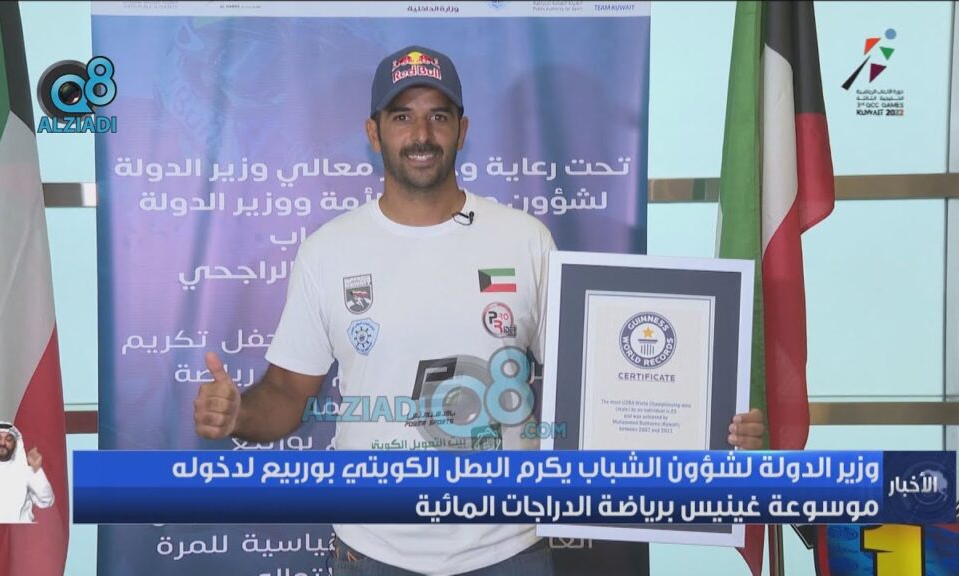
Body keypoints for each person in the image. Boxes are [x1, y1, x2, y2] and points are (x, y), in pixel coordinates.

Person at [193, 45, 766, 575]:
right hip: (373, 551)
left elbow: (599, 388)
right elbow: (288, 393)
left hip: (506, 548)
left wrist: (711, 427)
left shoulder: (524, 239)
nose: (421, 134)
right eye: (402, 116)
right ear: (373, 131)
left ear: (462, 130)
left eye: (438, 116)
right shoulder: (328, 251)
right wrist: (239, 413)